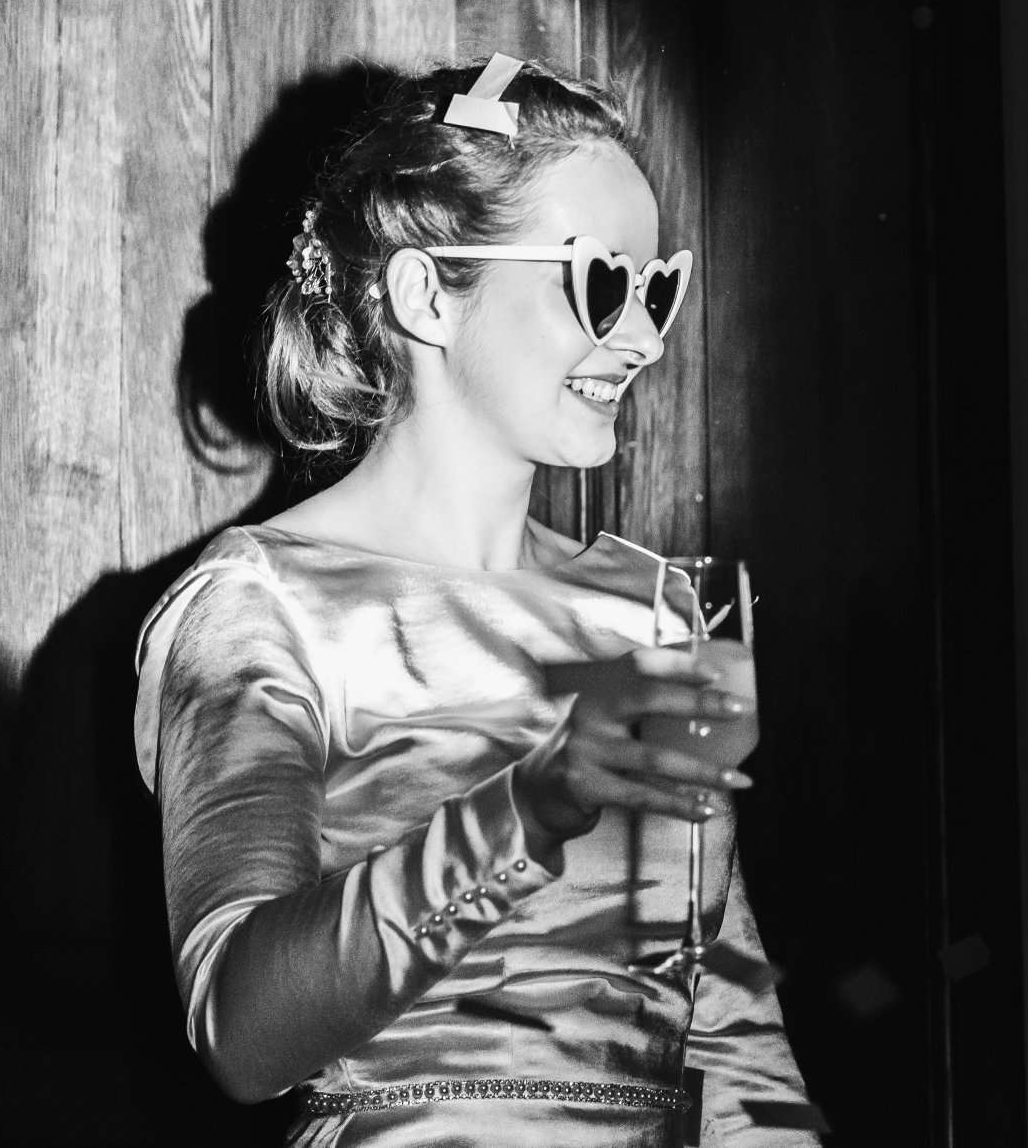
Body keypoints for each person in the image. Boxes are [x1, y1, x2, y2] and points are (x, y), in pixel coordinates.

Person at [132, 56, 814, 1147]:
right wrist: (531, 802)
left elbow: (726, 1022)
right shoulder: (260, 606)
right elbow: (242, 1031)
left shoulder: (652, 608)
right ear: (425, 295)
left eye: (659, 290)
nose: (642, 338)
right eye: (600, 283)